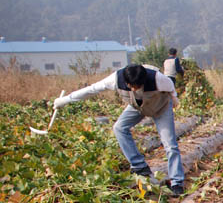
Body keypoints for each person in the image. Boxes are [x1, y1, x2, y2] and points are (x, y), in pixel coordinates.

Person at [53, 64, 185, 196]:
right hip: (137, 107)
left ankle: (177, 182)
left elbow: (171, 88)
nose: (133, 88)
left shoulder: (158, 79)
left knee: (169, 144)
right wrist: (65, 100)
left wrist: (174, 100)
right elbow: (92, 90)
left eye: (137, 86)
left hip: (160, 107)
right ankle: (139, 165)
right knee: (119, 127)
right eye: (131, 86)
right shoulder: (116, 79)